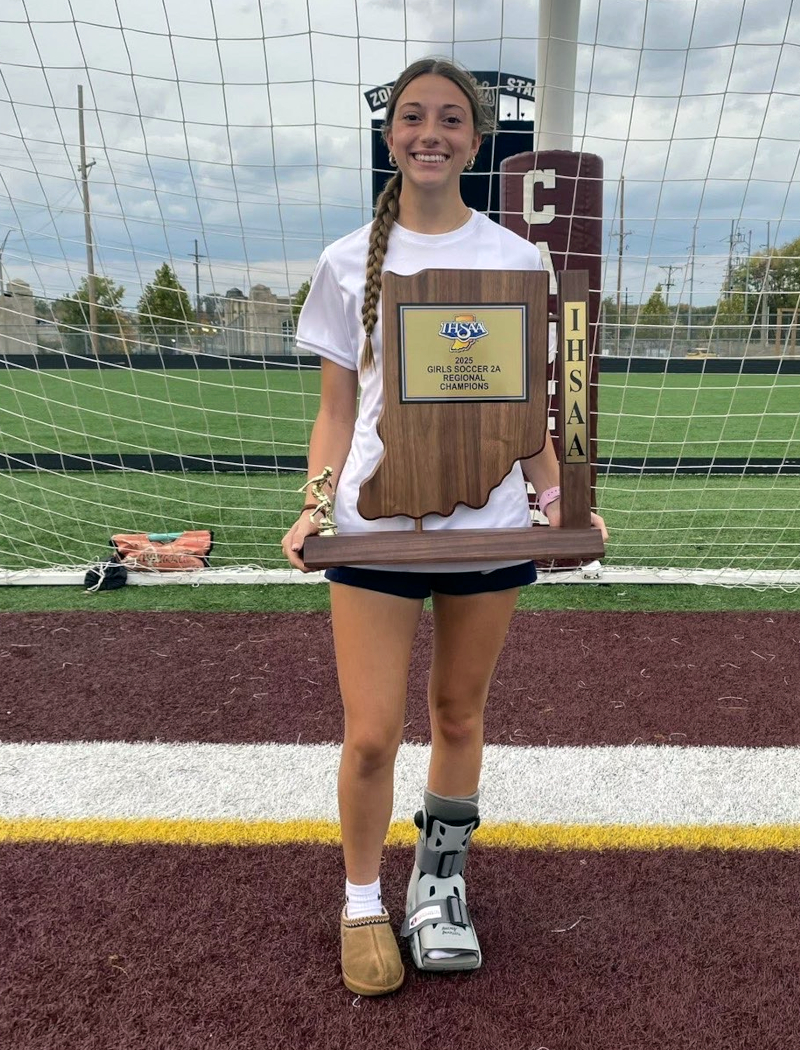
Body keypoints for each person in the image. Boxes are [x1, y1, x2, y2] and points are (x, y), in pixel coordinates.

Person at [282, 57, 608, 997]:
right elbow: (337, 413)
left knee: (459, 714)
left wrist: (559, 499)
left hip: (490, 528)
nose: (431, 132)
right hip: (375, 532)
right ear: (392, 137)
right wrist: (313, 505)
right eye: (414, 118)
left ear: (476, 139)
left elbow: (529, 415)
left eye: (451, 120)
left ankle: (439, 884)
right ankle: (360, 905)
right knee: (373, 734)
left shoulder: (515, 257)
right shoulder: (348, 261)